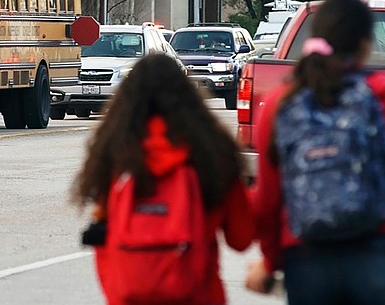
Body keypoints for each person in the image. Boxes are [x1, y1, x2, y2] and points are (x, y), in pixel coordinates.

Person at [246, 0, 385, 304]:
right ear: (365, 44)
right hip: (377, 253)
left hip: (307, 257)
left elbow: (267, 202)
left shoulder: (281, 102)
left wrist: (271, 261)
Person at [73, 53, 254, 304]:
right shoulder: (213, 152)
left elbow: (102, 236)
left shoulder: (115, 151)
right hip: (198, 295)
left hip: (130, 295)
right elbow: (241, 238)